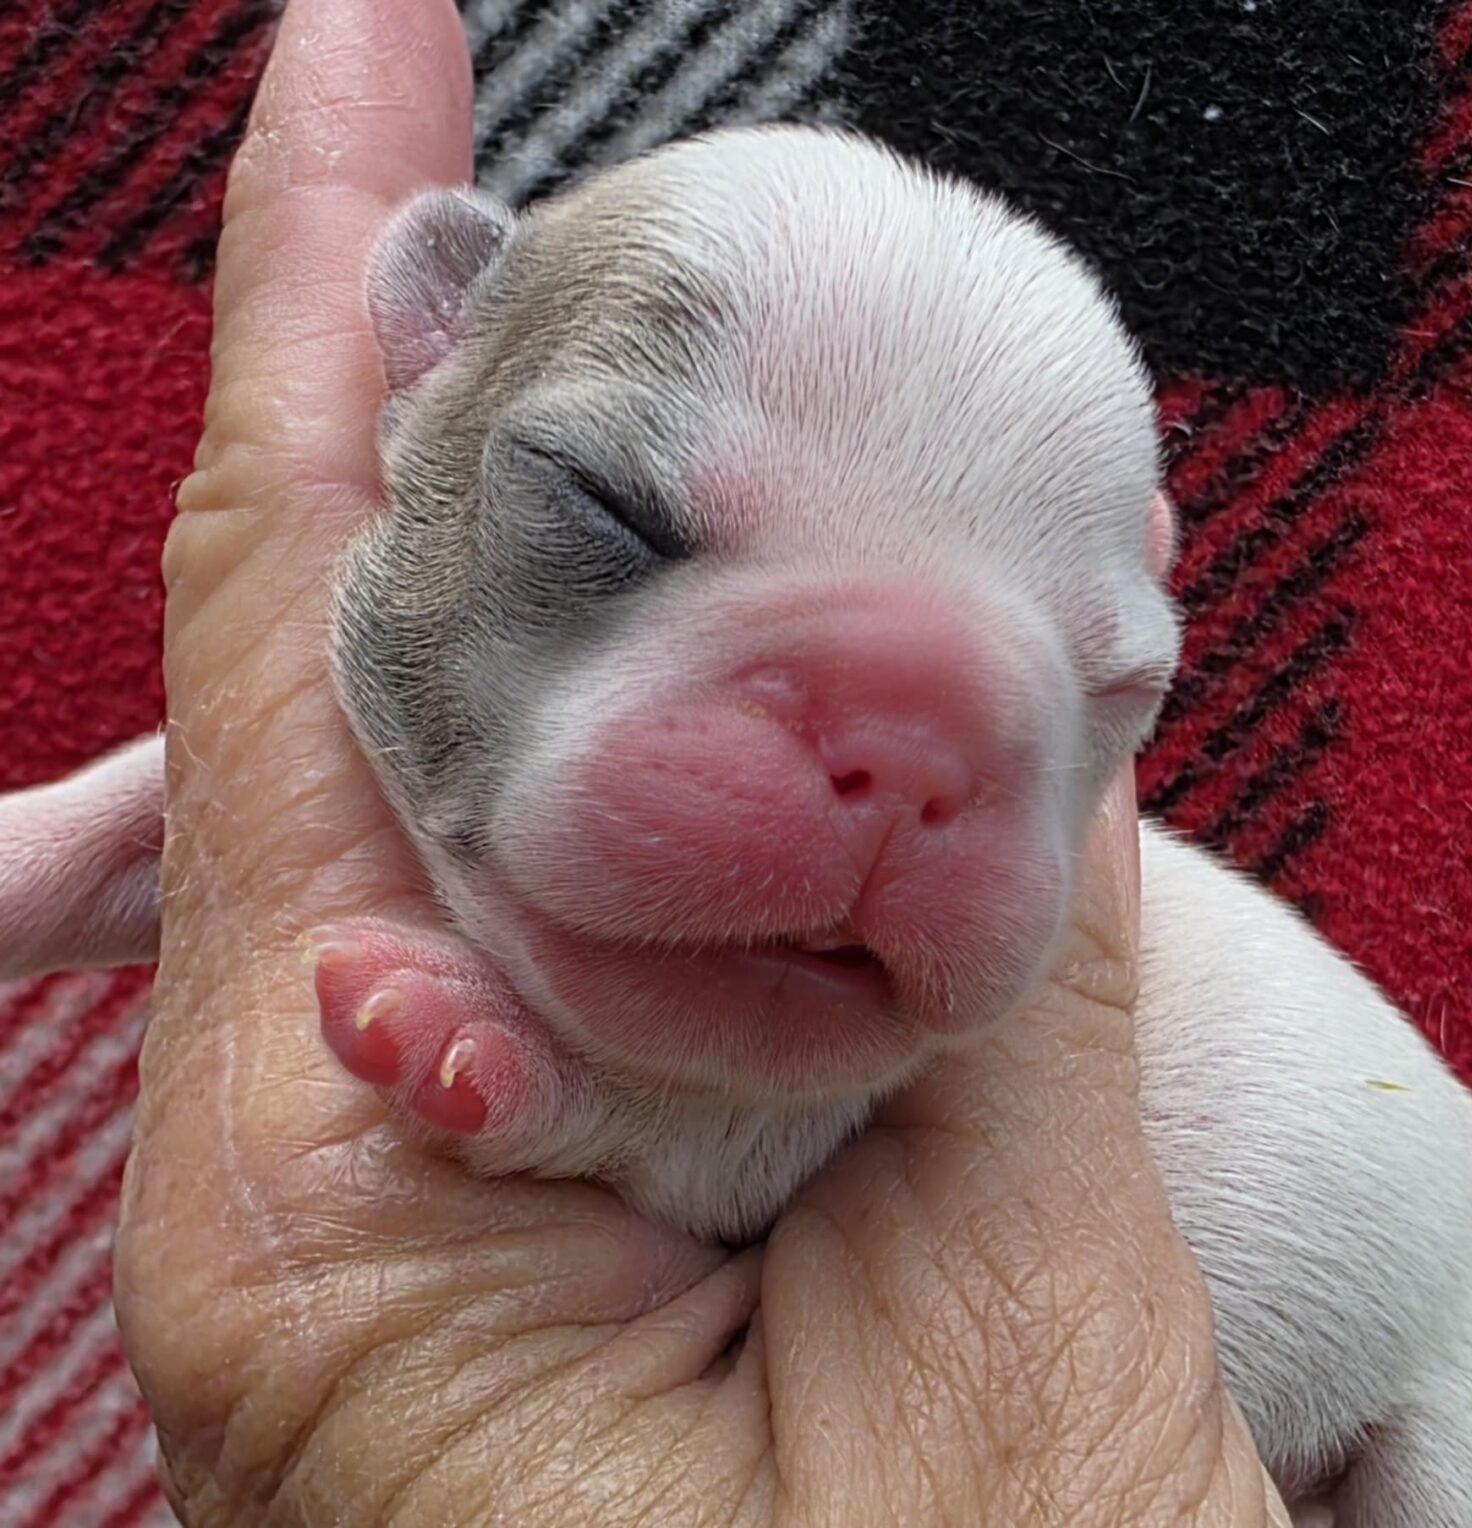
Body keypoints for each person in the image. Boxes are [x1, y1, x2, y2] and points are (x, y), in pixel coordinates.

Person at [113, 0, 1291, 1520]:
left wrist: (578, 1110)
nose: (905, 779)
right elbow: (202, 817)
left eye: (1088, 685)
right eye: (619, 522)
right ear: (430, 350)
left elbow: (757, 1152)